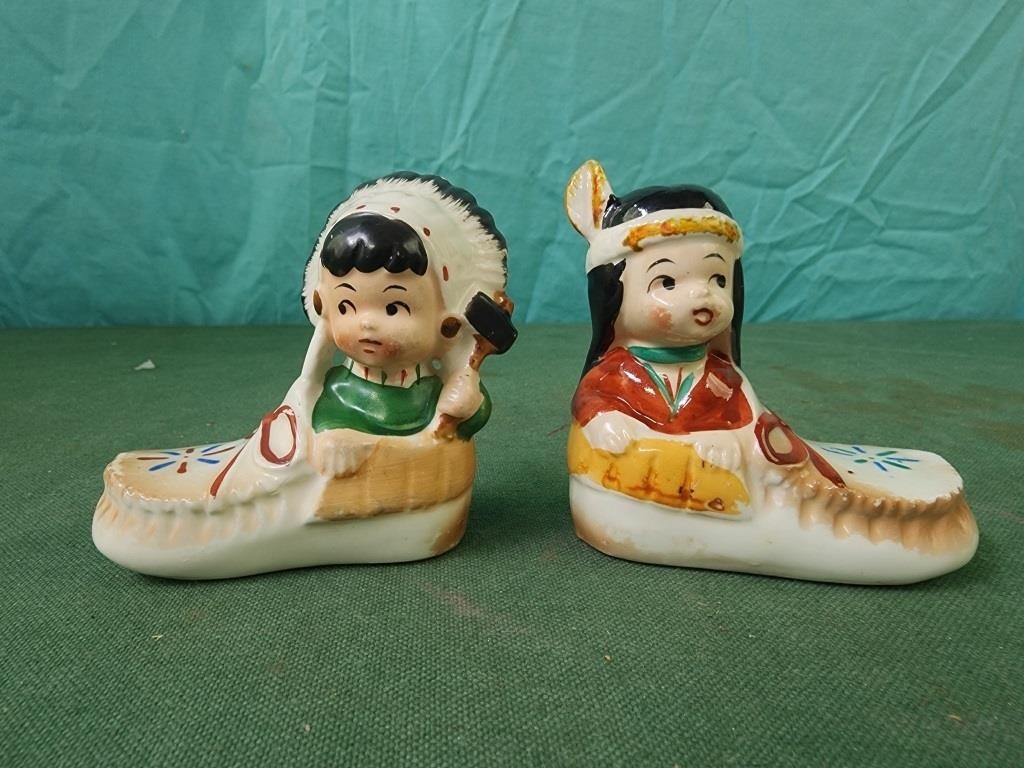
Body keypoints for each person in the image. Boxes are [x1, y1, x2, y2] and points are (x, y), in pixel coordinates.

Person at [564, 160, 976, 584]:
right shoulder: (617, 374)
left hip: (719, 486)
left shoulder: (723, 379)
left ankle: (894, 524)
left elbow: (746, 423)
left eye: (718, 278)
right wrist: (605, 421)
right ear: (614, 296)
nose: (702, 295)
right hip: (636, 490)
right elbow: (593, 403)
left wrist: (730, 440)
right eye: (667, 282)